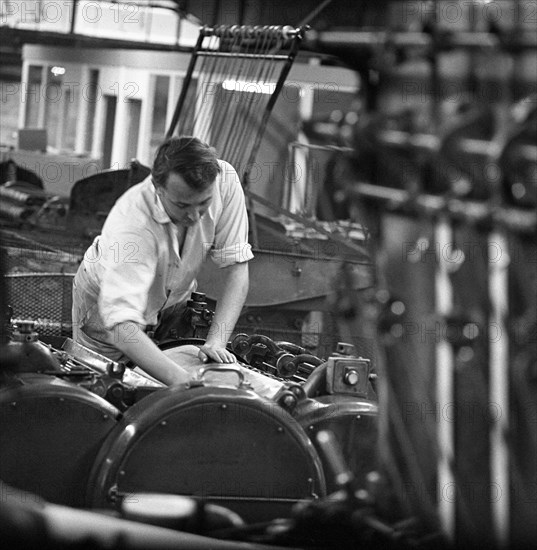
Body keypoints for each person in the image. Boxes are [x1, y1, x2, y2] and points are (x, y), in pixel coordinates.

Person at [72, 136, 253, 385]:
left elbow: (237, 270)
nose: (194, 216)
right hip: (105, 311)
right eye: (182, 205)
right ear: (158, 189)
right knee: (108, 389)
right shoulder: (132, 224)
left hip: (169, 301)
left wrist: (216, 341)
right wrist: (186, 384)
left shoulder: (225, 181)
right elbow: (121, 328)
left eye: (204, 204)